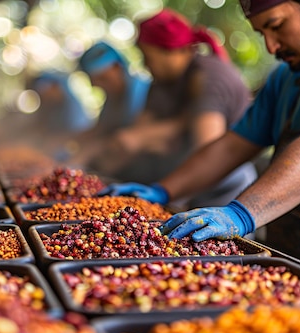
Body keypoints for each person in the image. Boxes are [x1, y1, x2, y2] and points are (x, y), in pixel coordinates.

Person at [102, 0, 300, 296]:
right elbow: (231, 147)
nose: (271, 46)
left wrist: (240, 214)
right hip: (287, 248)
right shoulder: (286, 77)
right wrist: (161, 191)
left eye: (277, 25)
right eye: (262, 33)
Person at [95, 8, 258, 209]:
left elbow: (208, 150)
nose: (145, 65)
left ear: (170, 50)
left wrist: (155, 138)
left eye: (147, 56)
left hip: (222, 190)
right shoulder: (161, 82)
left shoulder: (208, 78)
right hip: (179, 182)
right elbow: (137, 133)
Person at [67, 41, 151, 168]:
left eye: (102, 78)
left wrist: (86, 153)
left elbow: (129, 138)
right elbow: (100, 129)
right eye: (93, 80)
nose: (97, 85)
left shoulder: (144, 91)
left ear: (117, 67)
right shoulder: (111, 100)